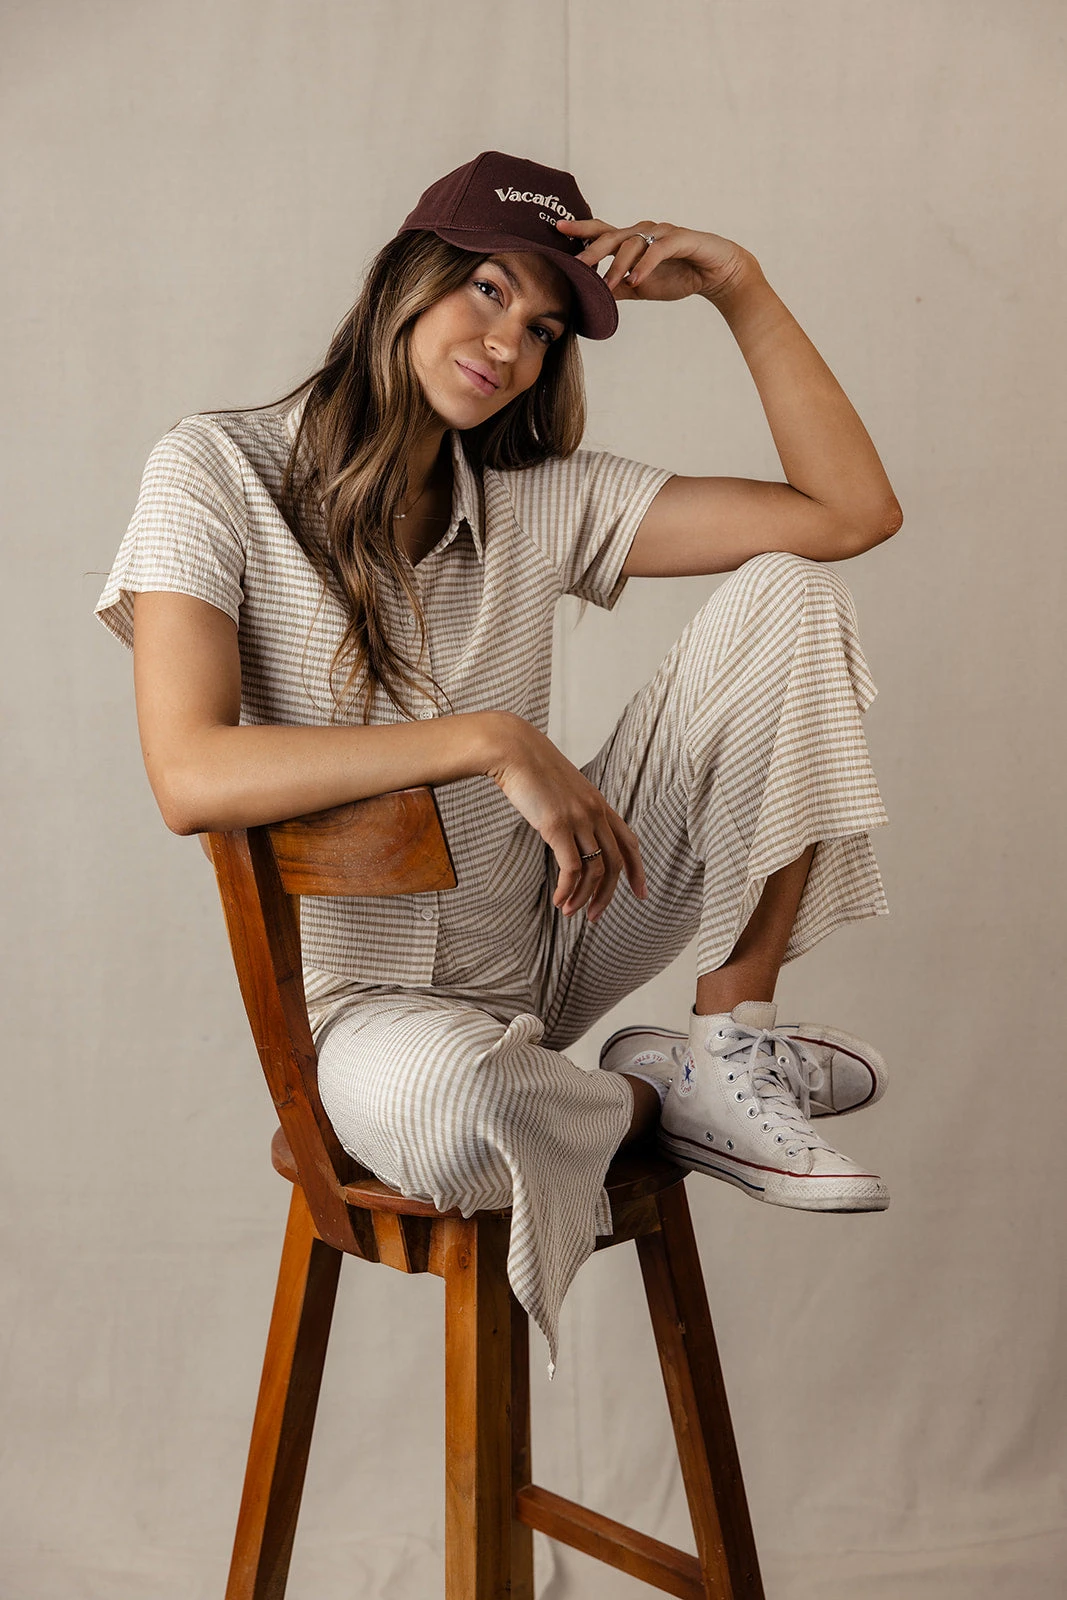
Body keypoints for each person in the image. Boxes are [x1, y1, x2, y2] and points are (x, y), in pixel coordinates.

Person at [96, 150, 902, 1372]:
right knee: (456, 1106)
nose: (506, 345)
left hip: (553, 928)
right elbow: (189, 775)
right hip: (364, 1010)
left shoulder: (536, 496)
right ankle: (659, 1096)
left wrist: (739, 286)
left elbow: (847, 515)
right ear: (403, 279)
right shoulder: (213, 471)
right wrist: (488, 738)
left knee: (789, 593)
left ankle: (729, 1041)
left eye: (540, 330)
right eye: (485, 289)